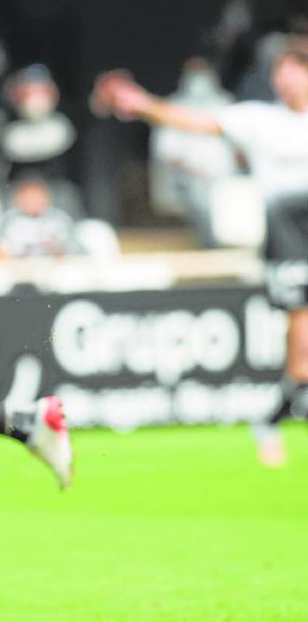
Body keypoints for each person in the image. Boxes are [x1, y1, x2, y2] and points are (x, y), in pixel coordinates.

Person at [93, 37, 308, 466]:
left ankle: (273, 417)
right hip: (290, 240)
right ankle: (271, 419)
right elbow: (193, 121)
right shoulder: (259, 120)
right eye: (280, 73)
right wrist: (140, 103)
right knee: (302, 353)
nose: (285, 81)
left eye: (294, 72)